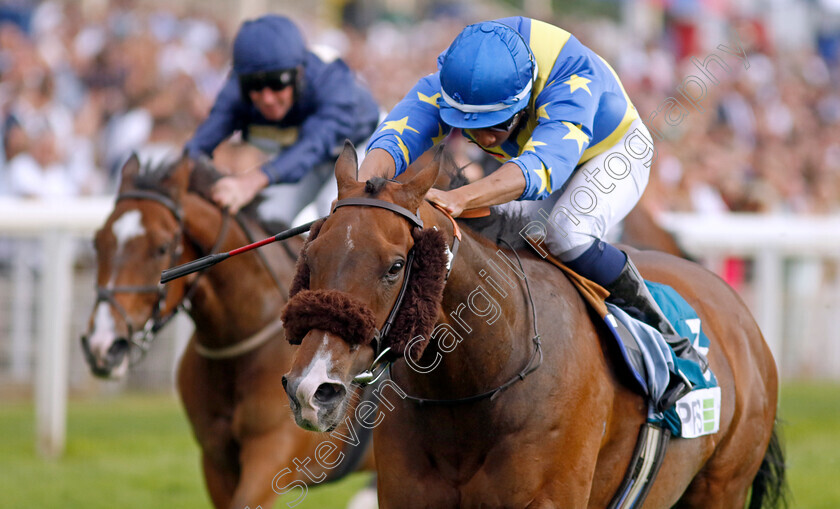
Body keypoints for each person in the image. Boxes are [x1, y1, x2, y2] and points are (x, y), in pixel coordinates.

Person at [358, 17, 707, 407]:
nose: (486, 137)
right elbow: (396, 135)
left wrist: (462, 198)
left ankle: (668, 338)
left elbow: (544, 167)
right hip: (536, 161)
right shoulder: (456, 79)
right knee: (481, 239)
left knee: (567, 232)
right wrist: (362, 191)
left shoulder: (572, 76)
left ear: (525, 97)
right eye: (469, 125)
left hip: (613, 153)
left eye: (496, 123)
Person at [186, 14, 380, 225]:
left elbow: (314, 144)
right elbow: (198, 146)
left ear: (299, 73)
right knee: (268, 216)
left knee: (334, 208)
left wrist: (249, 182)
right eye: (255, 84)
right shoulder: (236, 90)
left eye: (278, 82)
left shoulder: (330, 80)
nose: (267, 98)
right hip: (305, 155)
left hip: (364, 143)